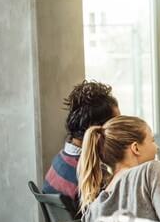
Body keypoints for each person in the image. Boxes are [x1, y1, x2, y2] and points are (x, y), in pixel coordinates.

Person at [42, 80, 119, 213]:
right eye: (115, 124)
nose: (119, 130)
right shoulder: (91, 175)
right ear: (95, 130)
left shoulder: (60, 160)